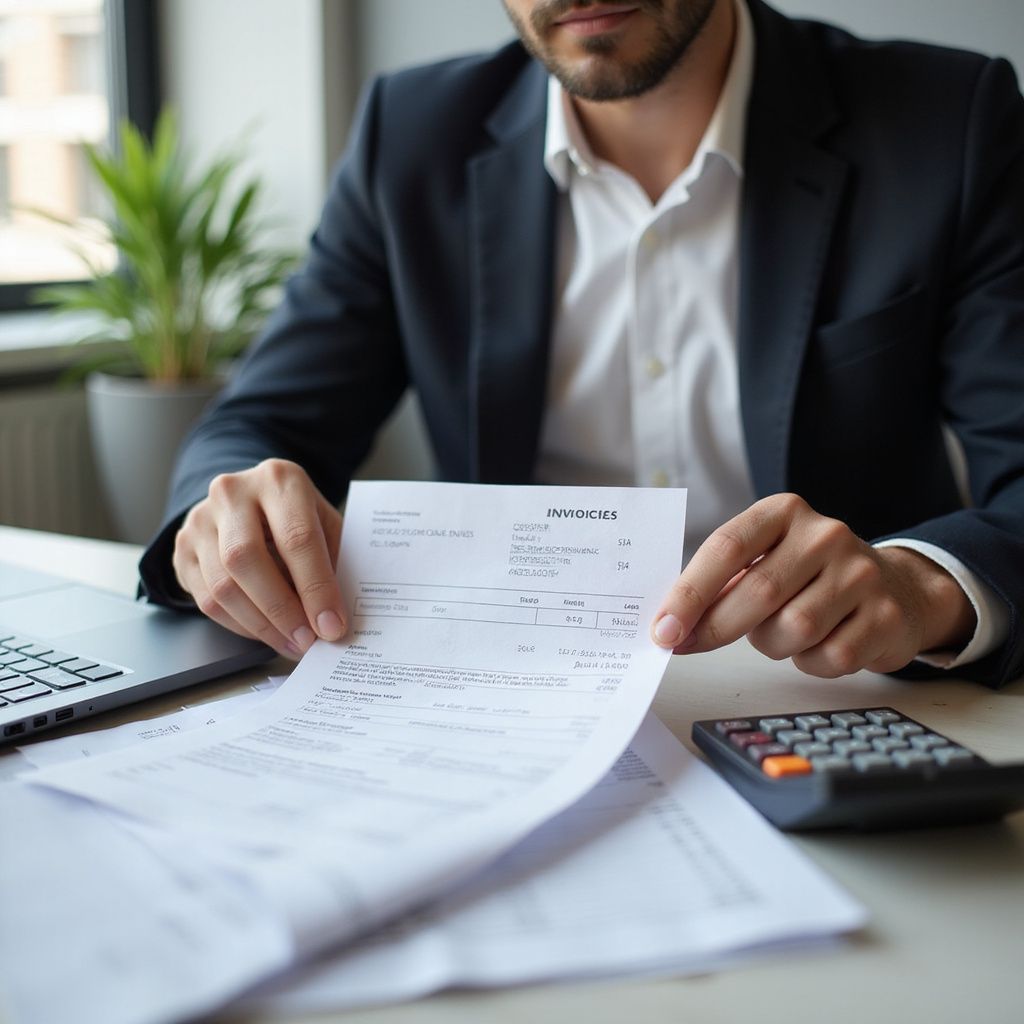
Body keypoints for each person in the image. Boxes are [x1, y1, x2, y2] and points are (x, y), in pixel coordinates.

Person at [140, 0, 1024, 688]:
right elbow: (260, 421)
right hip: (509, 701)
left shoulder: (947, 122)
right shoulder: (409, 137)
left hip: (846, 703)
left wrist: (922, 587)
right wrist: (218, 521)